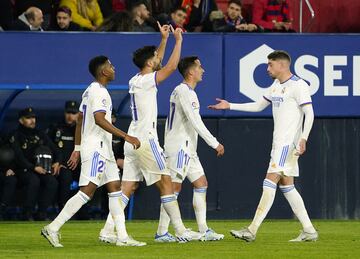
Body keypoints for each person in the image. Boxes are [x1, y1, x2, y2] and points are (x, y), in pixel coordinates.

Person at [99, 23, 202, 244]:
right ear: (149, 62)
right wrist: (178, 41)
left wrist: (163, 41)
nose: (159, 59)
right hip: (146, 139)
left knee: (127, 188)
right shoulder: (147, 80)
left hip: (132, 140)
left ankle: (108, 231)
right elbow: (172, 67)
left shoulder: (135, 79)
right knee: (166, 183)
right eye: (155, 57)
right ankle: (179, 230)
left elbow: (157, 63)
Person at [208, 50, 318, 242]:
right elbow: (258, 106)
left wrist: (304, 138)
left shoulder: (298, 85)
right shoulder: (276, 85)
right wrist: (230, 105)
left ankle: (252, 230)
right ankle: (309, 230)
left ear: (282, 65)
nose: (267, 68)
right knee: (287, 186)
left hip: (288, 144)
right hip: (279, 143)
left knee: (270, 181)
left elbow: (310, 113)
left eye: (270, 64)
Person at [41, 56, 143, 248]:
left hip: (101, 149)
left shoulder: (90, 90)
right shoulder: (99, 92)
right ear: (104, 72)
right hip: (97, 148)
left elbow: (80, 119)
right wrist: (126, 136)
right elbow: (99, 119)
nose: (114, 68)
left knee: (115, 189)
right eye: (111, 66)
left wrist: (77, 149)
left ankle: (122, 237)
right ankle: (53, 227)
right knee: (87, 192)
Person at [154, 56, 225, 242]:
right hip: (179, 147)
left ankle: (203, 229)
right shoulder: (185, 92)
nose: (203, 70)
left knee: (201, 183)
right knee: (173, 188)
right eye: (200, 67)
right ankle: (162, 232)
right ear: (191, 72)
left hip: (187, 148)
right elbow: (195, 121)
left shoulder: (183, 91)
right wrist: (214, 142)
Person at [9, 107, 60, 220]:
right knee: (33, 180)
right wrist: (33, 167)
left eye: (33, 117)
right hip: (22, 170)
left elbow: (55, 150)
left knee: (52, 182)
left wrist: (57, 162)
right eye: (28, 118)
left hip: (40, 169)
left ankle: (41, 212)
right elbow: (18, 158)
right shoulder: (15, 135)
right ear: (21, 120)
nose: (32, 120)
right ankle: (27, 213)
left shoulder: (40, 134)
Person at [46, 101, 80, 210]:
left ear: (78, 114)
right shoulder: (56, 128)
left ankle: (83, 210)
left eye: (73, 113)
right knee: (65, 177)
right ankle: (63, 208)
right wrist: (56, 162)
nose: (70, 116)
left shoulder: (82, 130)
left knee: (88, 178)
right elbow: (49, 147)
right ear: (64, 113)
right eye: (68, 113)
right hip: (62, 165)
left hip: (79, 165)